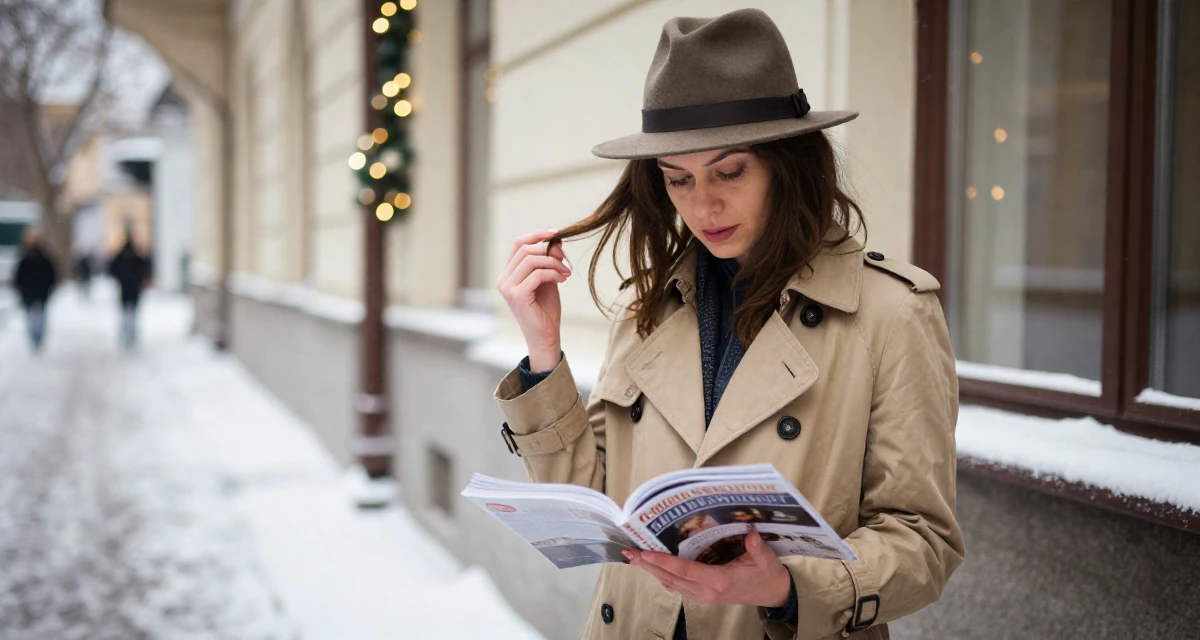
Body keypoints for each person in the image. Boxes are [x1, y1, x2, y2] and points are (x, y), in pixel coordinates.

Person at [493, 9, 964, 640]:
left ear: (787, 162)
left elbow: (923, 542)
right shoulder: (649, 308)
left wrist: (785, 587)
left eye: (730, 171)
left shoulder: (890, 313)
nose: (702, 205)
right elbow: (601, 503)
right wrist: (543, 350)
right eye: (677, 179)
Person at [13, 230, 58, 352]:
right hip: (31, 294)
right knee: (32, 319)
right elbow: (18, 278)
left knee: (39, 318)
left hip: (39, 294)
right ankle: (34, 339)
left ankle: (38, 339)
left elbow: (51, 276)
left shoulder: (43, 259)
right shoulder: (25, 259)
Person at [108, 237, 151, 348]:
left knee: (126, 314)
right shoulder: (136, 258)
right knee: (132, 314)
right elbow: (144, 269)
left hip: (126, 289)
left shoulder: (121, 258)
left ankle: (127, 335)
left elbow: (113, 269)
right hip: (133, 290)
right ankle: (130, 335)